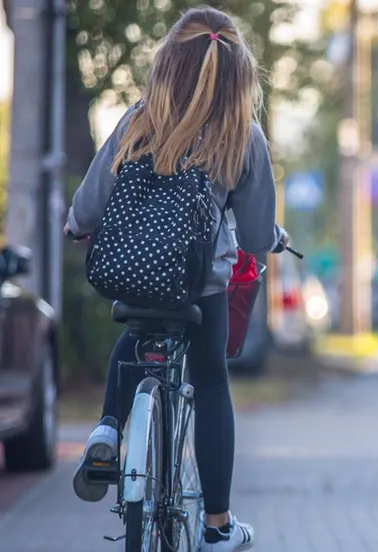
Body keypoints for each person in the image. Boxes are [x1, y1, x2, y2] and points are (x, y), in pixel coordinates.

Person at [65, 7, 288, 551]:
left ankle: (108, 428)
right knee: (210, 381)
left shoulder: (138, 119)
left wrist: (76, 228)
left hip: (128, 277)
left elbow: (87, 206)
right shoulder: (242, 134)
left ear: (168, 63)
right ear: (238, 75)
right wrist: (273, 238)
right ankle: (217, 527)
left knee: (136, 337)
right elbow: (257, 237)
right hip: (199, 288)